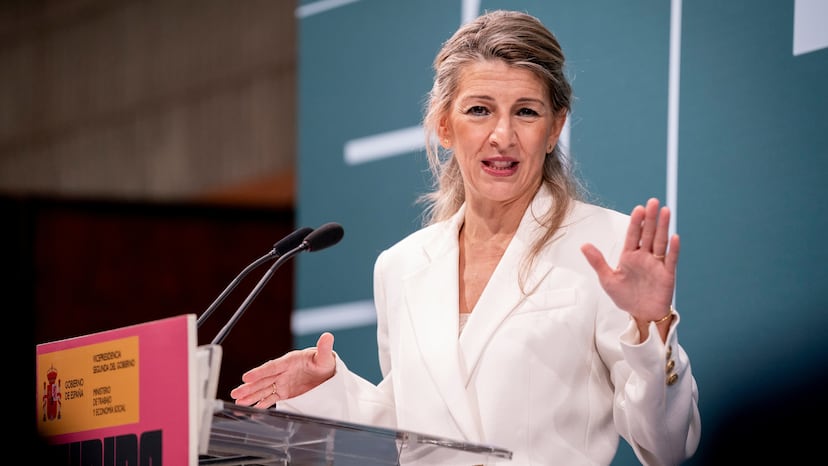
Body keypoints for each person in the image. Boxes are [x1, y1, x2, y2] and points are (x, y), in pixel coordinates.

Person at [231, 9, 700, 465]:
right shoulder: (401, 265)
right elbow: (410, 430)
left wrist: (651, 327)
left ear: (555, 128)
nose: (502, 135)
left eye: (526, 112)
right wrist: (327, 387)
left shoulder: (607, 244)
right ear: (444, 125)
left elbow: (667, 446)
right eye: (479, 110)